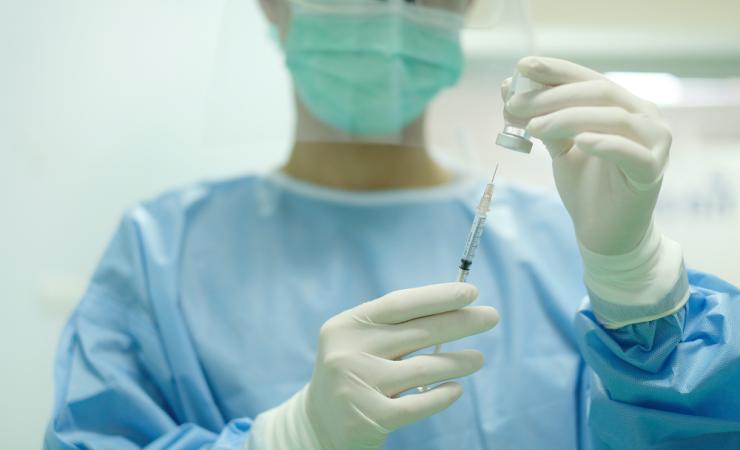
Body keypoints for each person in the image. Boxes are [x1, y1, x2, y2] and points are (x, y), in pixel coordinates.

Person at [45, 0, 740, 449]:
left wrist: (638, 284)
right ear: (273, 6)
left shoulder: (569, 250)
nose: (386, 18)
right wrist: (285, 440)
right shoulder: (162, 256)